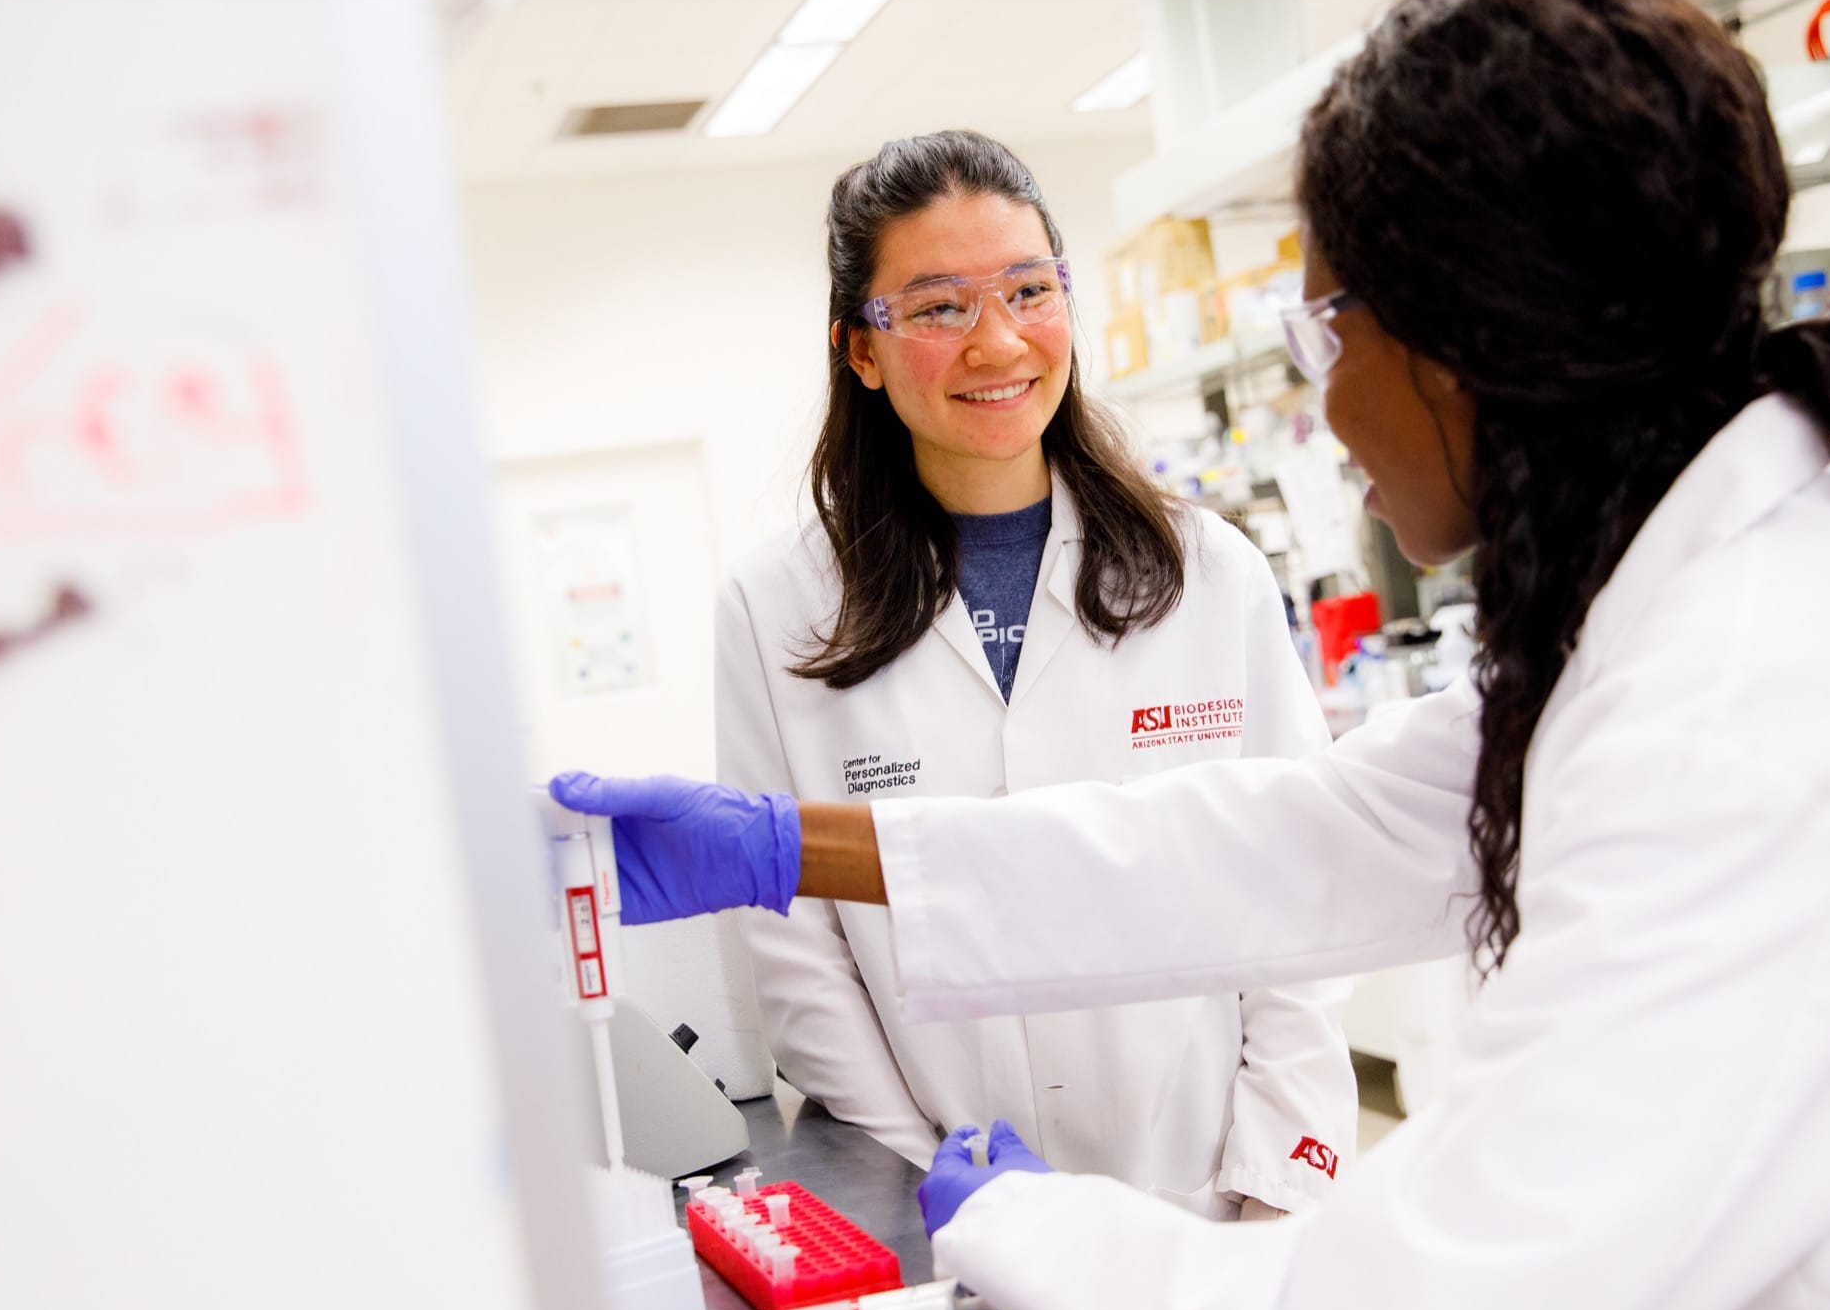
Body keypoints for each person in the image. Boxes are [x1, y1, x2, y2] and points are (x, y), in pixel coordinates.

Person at [552, 0, 1830, 1310]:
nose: (1324, 401)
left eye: (1331, 325)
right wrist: (790, 844)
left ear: (1474, 336)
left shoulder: (1746, 705)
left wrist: (1035, 1228)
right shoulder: (1670, 606)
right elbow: (1289, 833)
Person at [559, 130, 1354, 1223]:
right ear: (861, 349)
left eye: (1029, 289)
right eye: (936, 307)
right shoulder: (775, 606)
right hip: (955, 1212)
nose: (997, 340)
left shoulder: (1207, 569)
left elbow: (1302, 890)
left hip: (1215, 1194)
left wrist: (1271, 1182)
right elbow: (801, 961)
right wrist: (937, 1191)